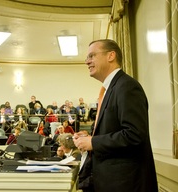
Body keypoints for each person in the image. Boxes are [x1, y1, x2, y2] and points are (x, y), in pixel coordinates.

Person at [73, 39, 158, 191]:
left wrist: (93, 142)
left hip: (126, 184)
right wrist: (89, 136)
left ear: (111, 56)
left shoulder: (127, 86)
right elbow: (114, 129)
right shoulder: (110, 89)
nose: (87, 62)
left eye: (92, 56)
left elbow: (134, 134)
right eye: (87, 58)